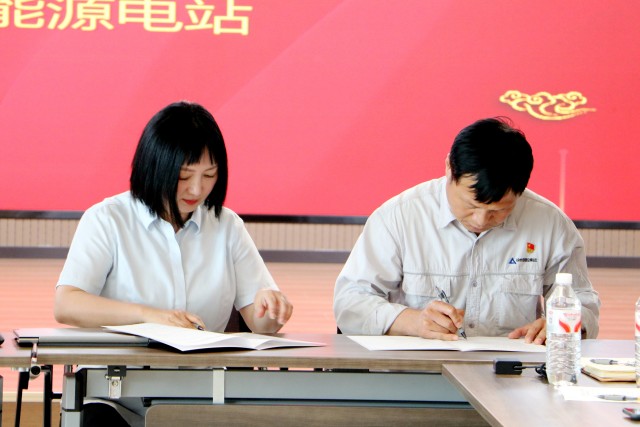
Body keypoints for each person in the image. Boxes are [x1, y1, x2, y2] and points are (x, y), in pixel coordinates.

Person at [54, 101, 293, 426]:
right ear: (155, 166)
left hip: (203, 394)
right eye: (184, 175)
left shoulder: (227, 226)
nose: (197, 189)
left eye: (209, 175)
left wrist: (270, 310)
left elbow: (260, 322)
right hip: (115, 392)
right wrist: (149, 316)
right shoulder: (107, 219)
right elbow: (67, 303)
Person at [333, 117, 600, 344]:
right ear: (450, 169)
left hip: (512, 378)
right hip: (419, 372)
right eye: (471, 205)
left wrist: (561, 324)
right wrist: (412, 322)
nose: (481, 220)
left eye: (498, 210)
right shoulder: (399, 217)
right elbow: (350, 302)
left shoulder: (551, 225)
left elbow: (584, 305)